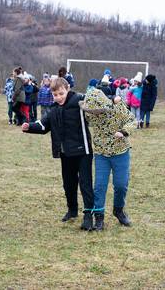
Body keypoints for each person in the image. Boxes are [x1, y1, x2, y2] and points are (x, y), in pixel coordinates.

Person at [21, 77, 94, 231]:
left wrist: (113, 98)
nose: (59, 97)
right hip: (65, 153)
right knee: (68, 183)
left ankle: (89, 214)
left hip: (83, 151)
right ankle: (72, 210)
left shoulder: (80, 101)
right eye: (55, 95)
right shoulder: (54, 110)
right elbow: (43, 125)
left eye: (61, 93)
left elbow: (98, 101)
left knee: (85, 184)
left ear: (68, 89)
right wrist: (30, 127)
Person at [80, 88, 136, 231]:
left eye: (97, 111)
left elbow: (131, 120)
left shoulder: (117, 108)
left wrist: (124, 132)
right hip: (101, 154)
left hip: (120, 152)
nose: (94, 114)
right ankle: (99, 217)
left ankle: (118, 210)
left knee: (121, 185)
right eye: (92, 112)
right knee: (99, 186)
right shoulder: (88, 113)